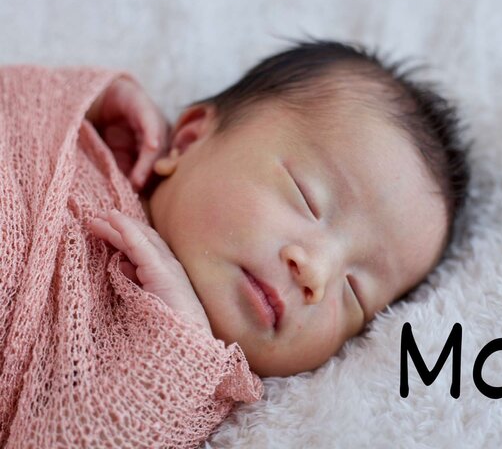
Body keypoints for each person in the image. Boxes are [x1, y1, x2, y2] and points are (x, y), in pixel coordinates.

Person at [87, 37, 471, 378]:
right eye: (307, 199)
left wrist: (182, 357)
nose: (316, 274)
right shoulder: (85, 151)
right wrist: (91, 101)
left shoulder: (210, 396)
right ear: (189, 139)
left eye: (354, 294)